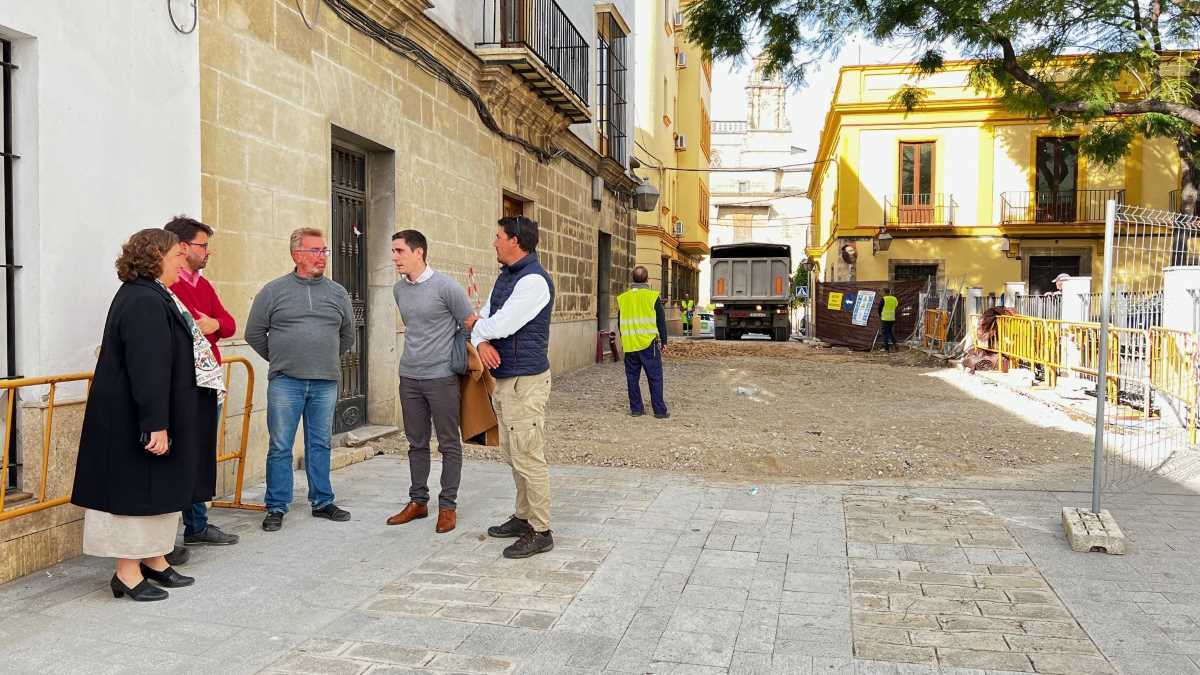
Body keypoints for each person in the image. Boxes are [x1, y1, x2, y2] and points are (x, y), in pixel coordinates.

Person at [71, 228, 223, 601]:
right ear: (155, 257)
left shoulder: (154, 294)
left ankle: (154, 559)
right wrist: (155, 423)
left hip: (154, 413)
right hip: (136, 419)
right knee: (134, 495)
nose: (181, 262)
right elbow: (147, 367)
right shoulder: (142, 300)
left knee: (160, 490)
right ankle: (127, 571)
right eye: (175, 256)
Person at [246, 227, 355, 532]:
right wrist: (283, 358)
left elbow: (347, 335)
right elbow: (253, 333)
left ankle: (322, 501)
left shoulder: (337, 292)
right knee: (280, 445)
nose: (322, 257)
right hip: (286, 382)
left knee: (320, 443)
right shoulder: (273, 291)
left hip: (325, 381)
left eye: (324, 251)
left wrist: (323, 357)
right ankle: (277, 506)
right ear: (297, 254)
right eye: (315, 251)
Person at [468, 215, 556, 559]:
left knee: (528, 455)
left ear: (515, 241)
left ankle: (541, 529)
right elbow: (482, 319)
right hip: (506, 379)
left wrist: (482, 331)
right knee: (512, 452)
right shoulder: (506, 277)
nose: (494, 242)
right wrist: (481, 341)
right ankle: (523, 517)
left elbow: (500, 324)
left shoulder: (534, 282)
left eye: (498, 236)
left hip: (526, 381)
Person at [386, 230, 475, 534]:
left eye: (399, 251)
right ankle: (418, 502)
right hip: (409, 376)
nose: (395, 257)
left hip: (442, 378)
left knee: (449, 443)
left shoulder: (446, 287)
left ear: (419, 252)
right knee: (416, 443)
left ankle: (448, 506)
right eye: (393, 251)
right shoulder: (399, 290)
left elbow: (469, 323)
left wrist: (456, 359)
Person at [164, 216, 239, 547]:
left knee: (200, 454)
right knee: (176, 457)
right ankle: (166, 535)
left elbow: (230, 323)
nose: (208, 252)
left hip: (209, 381)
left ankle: (197, 525)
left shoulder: (203, 285)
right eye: (203, 245)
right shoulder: (168, 286)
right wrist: (209, 325)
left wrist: (214, 324)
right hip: (182, 383)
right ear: (183, 246)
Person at [618, 266, 669, 419]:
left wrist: (624, 339)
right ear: (647, 280)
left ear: (633, 279)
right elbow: (661, 321)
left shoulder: (623, 298)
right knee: (655, 377)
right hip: (648, 344)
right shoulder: (652, 297)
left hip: (630, 344)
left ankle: (636, 409)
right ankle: (659, 411)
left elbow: (621, 322)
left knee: (632, 378)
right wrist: (664, 341)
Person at [879, 288, 898, 352]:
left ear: (884, 292)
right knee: (890, 332)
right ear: (889, 292)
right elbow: (896, 306)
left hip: (885, 318)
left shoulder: (883, 299)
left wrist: (880, 315)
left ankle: (886, 348)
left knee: (885, 333)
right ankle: (895, 344)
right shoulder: (894, 299)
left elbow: (879, 308)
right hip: (892, 318)